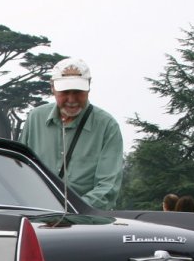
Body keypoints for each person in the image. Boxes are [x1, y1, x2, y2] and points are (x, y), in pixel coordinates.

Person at [20, 57, 124, 210]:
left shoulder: (107, 125)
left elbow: (108, 187)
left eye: (78, 92)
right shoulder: (35, 118)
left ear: (89, 87)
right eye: (65, 92)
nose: (71, 99)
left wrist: (73, 211)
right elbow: (21, 171)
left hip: (86, 221)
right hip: (37, 215)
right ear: (52, 88)